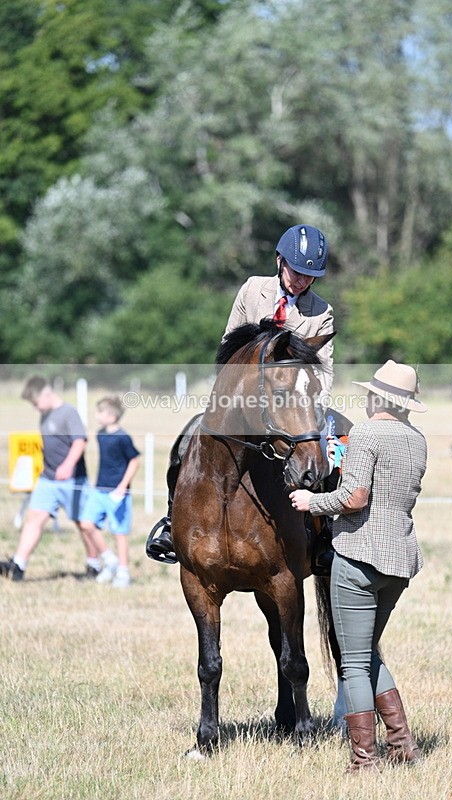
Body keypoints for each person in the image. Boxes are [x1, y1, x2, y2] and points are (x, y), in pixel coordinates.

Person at [146, 223, 335, 563]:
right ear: (279, 260)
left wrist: (313, 408)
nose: (302, 280)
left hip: (295, 402)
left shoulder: (320, 312)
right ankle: (172, 521)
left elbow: (325, 370)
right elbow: (228, 345)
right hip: (242, 399)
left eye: (310, 276)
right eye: (297, 271)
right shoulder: (252, 290)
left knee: (328, 450)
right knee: (187, 439)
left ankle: (324, 536)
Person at [289, 360, 428, 772]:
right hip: (399, 560)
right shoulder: (416, 439)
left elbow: (354, 498)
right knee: (365, 653)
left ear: (376, 397)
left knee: (352, 664)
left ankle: (363, 760)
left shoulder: (366, 432)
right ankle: (402, 745)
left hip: (360, 557)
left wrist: (311, 502)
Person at [0, 375, 98, 582]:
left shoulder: (68, 413)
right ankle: (18, 565)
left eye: (36, 403)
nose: (35, 408)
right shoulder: (45, 414)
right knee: (34, 518)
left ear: (46, 393)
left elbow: (80, 442)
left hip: (73, 480)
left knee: (83, 523)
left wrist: (68, 465)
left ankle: (94, 565)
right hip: (48, 478)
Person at [79, 395, 140, 588]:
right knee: (86, 524)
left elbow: (134, 461)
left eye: (100, 412)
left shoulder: (123, 437)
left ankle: (123, 571)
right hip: (99, 490)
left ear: (112, 416)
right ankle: (109, 559)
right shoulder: (99, 434)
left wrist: (122, 487)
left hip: (118, 493)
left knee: (119, 533)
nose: (97, 416)